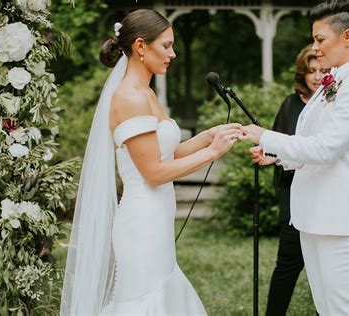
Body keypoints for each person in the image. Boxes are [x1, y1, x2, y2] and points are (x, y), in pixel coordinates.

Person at [60, 9, 242, 315]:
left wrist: (211, 135)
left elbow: (168, 152)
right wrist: (213, 153)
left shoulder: (145, 92)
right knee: (145, 301)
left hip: (156, 220)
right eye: (166, 45)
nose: (172, 53)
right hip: (141, 223)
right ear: (141, 46)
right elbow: (154, 173)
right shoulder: (130, 98)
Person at [241, 1, 349, 314]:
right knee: (325, 308)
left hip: (338, 221)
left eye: (320, 39)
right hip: (312, 217)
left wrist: (264, 135)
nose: (315, 48)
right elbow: (307, 142)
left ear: (346, 37)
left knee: (344, 310)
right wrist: (275, 155)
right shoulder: (330, 82)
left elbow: (326, 149)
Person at [266, 45, 329, 316]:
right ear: (301, 74)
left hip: (326, 197)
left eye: (322, 70)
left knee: (326, 271)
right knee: (287, 264)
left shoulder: (334, 104)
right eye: (310, 71)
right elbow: (276, 144)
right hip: (293, 196)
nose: (315, 76)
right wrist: (269, 155)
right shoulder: (290, 105)